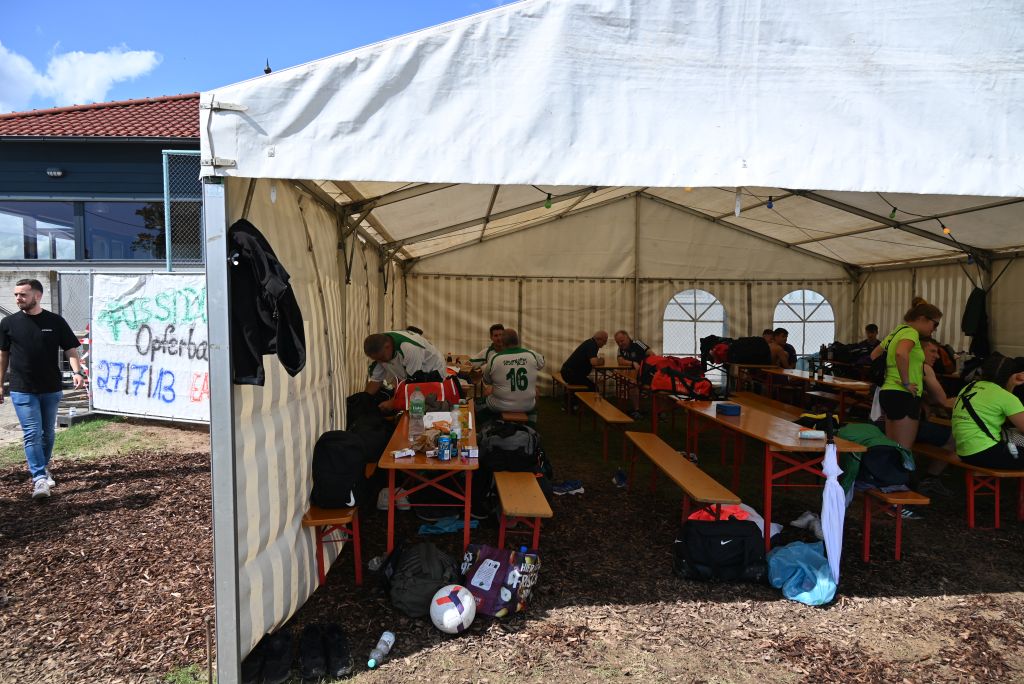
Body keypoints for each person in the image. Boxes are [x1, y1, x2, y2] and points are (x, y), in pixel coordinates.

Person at [0, 279, 85, 500]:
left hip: (50, 388)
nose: (18, 298)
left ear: (37, 296)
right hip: (22, 389)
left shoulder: (55, 321)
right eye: (16, 294)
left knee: (48, 433)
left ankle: (43, 467)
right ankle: (39, 478)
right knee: (32, 433)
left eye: (23, 294)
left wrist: (77, 372)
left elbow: (71, 349)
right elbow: (3, 355)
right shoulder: (8, 323)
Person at [869, 301, 943, 449]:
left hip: (888, 391)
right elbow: (901, 353)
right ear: (922, 318)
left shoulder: (897, 331)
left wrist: (892, 374)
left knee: (893, 447)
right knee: (903, 449)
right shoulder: (911, 332)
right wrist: (906, 382)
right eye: (935, 324)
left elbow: (874, 354)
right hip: (904, 395)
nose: (935, 329)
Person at [951, 355, 1024, 470]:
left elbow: (999, 405)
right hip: (986, 452)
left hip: (964, 451)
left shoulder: (969, 387)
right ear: (1010, 375)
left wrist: (1011, 384)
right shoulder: (1005, 397)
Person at [363, 330, 447, 408]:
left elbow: (414, 383)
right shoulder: (380, 349)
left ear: (387, 346)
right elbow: (375, 381)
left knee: (424, 404)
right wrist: (363, 399)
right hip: (414, 376)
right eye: (376, 359)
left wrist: (393, 403)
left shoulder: (409, 348)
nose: (380, 361)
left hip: (433, 370)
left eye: (381, 357)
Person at [482, 329, 544, 417]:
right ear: (517, 340)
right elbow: (542, 364)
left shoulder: (495, 358)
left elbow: (487, 380)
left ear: (503, 342)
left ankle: (492, 420)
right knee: (536, 390)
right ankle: (532, 418)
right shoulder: (532, 354)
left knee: (488, 391)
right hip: (528, 406)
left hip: (500, 406)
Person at [613, 330, 652, 419]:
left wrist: (643, 366)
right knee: (631, 382)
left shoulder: (637, 343)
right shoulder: (620, 349)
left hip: (646, 373)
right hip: (634, 375)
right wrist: (632, 363)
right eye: (618, 342)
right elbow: (620, 361)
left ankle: (656, 412)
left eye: (622, 341)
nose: (620, 344)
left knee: (632, 383)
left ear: (627, 337)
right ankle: (636, 410)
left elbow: (651, 354)